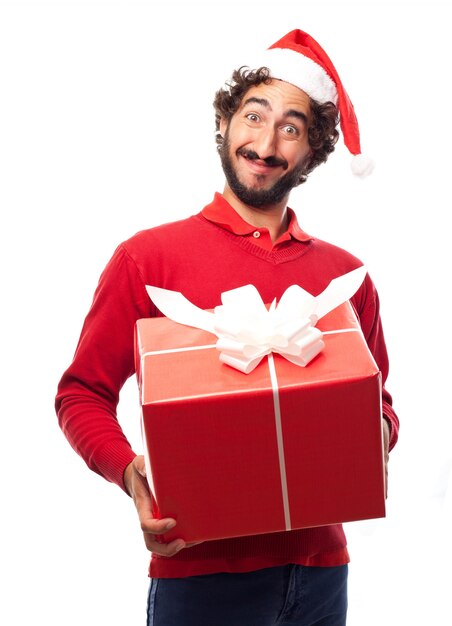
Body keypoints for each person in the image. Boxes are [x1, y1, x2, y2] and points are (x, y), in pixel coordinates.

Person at [56, 29, 399, 626]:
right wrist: (130, 471)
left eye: (291, 128)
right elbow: (80, 394)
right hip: (200, 575)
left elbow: (382, 405)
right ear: (224, 121)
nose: (265, 144)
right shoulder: (148, 260)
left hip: (323, 574)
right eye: (254, 116)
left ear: (312, 152)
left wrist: (376, 439)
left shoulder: (345, 279)